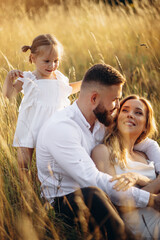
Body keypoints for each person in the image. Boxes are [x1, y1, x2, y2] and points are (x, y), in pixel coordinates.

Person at [36, 63, 160, 240]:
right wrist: (150, 200)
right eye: (115, 100)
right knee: (94, 194)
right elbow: (95, 180)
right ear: (94, 98)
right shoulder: (62, 128)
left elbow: (143, 142)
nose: (117, 106)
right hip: (66, 202)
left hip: (104, 198)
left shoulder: (101, 120)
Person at [2, 34, 81, 171]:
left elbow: (69, 90)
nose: (52, 65)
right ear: (33, 58)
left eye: (56, 60)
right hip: (30, 124)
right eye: (47, 61)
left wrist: (85, 83)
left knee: (49, 162)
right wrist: (9, 79)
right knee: (23, 161)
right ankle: (25, 188)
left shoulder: (59, 78)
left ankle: (46, 185)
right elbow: (8, 95)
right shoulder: (28, 78)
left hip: (52, 126)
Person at [92, 95, 160, 239]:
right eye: (125, 110)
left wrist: (138, 178)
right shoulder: (103, 151)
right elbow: (114, 203)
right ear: (117, 118)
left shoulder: (146, 155)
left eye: (138, 112)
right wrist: (154, 193)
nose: (130, 115)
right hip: (142, 231)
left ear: (146, 125)